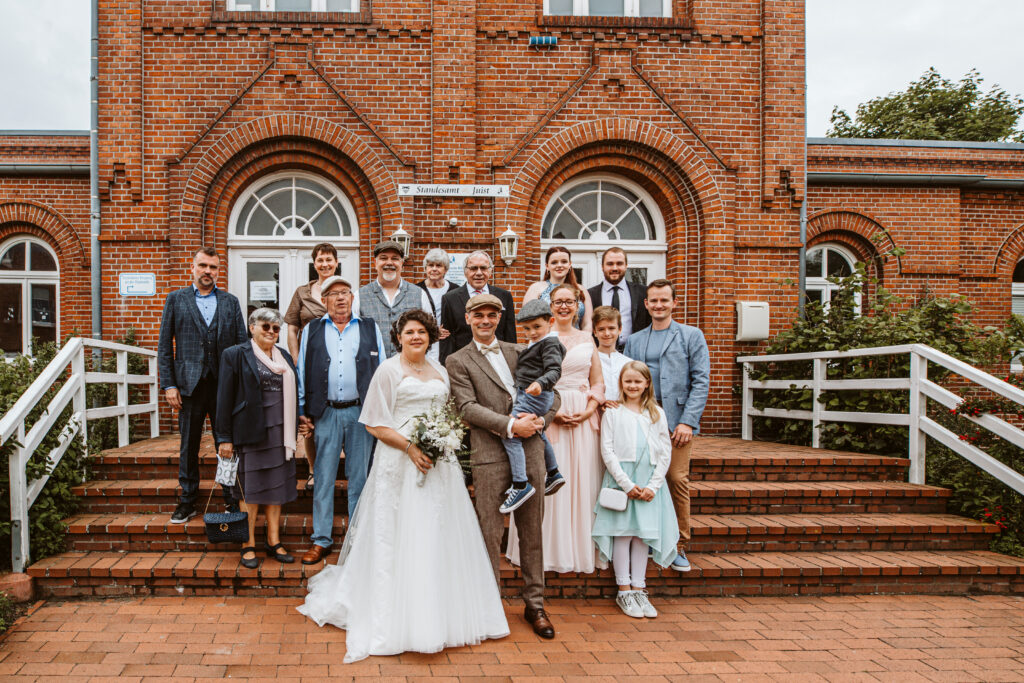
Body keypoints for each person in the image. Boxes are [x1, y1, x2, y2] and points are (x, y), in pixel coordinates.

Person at [298, 309, 509, 662]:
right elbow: (374, 424)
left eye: (422, 333)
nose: (415, 338)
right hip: (398, 461)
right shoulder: (388, 370)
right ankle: (396, 614)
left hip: (440, 465)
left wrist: (445, 439)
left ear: (430, 337)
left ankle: (440, 613)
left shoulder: (440, 371)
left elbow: (451, 414)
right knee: (398, 533)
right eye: (409, 332)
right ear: (399, 337)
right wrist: (411, 448)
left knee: (438, 532)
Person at [446, 294, 560, 640]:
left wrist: (541, 418)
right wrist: (511, 426)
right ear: (467, 318)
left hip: (531, 452)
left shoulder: (520, 350)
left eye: (492, 315)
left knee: (532, 532)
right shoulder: (457, 360)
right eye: (478, 314)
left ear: (499, 318)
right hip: (490, 454)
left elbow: (554, 394)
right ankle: (489, 605)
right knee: (489, 533)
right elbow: (465, 407)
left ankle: (535, 604)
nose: (485, 320)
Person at [507, 283, 605, 574]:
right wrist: (553, 413)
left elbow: (598, 381)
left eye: (569, 301)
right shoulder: (535, 337)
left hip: (583, 419)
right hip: (548, 413)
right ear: (550, 308)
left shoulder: (588, 339)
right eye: (558, 301)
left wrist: (589, 409)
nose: (564, 306)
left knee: (580, 481)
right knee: (548, 479)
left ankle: (577, 550)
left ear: (578, 305)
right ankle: (546, 552)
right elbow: (526, 381)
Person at [296, 275, 386, 566]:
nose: (340, 298)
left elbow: (383, 371)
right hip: (326, 412)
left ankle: (357, 538)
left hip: (361, 413)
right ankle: (321, 539)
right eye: (333, 294)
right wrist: (303, 409)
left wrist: (380, 411)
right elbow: (302, 369)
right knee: (323, 477)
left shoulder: (370, 328)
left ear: (352, 297)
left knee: (359, 478)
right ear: (324, 301)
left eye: (345, 292)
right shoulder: (311, 329)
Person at [624, 279, 709, 573]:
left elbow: (701, 381)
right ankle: (647, 540)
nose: (659, 305)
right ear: (646, 305)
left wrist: (688, 421)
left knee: (675, 480)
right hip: (643, 421)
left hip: (676, 424)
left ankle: (679, 545)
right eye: (654, 301)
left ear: (674, 303)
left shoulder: (691, 336)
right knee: (645, 480)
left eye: (664, 300)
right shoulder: (635, 340)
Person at [157, 246, 247, 524]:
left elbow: (243, 344)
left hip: (223, 385)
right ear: (193, 268)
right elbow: (164, 347)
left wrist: (241, 385)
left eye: (213, 267)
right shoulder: (176, 299)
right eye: (203, 266)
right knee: (189, 445)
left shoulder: (230, 302)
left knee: (227, 442)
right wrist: (169, 384)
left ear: (219, 271)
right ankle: (188, 500)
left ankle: (231, 499)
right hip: (189, 386)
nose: (208, 271)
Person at [214, 308, 299, 569]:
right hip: (250, 431)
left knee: (276, 488)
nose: (271, 332)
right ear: (252, 327)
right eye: (266, 326)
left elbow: (296, 391)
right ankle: (247, 543)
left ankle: (274, 541)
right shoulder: (235, 355)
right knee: (249, 491)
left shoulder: (283, 355)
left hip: (280, 432)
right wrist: (224, 437)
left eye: (276, 328)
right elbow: (224, 397)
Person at [592, 361, 678, 618]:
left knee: (642, 536)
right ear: (621, 384)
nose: (632, 386)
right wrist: (626, 484)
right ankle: (624, 590)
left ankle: (640, 588)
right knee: (623, 533)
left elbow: (665, 451)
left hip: (649, 481)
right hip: (623, 481)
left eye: (637, 382)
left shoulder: (657, 413)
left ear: (647, 384)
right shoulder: (613, 413)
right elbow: (607, 450)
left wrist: (653, 485)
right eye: (627, 381)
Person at [499, 298, 566, 514]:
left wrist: (540, 383)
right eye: (527, 329)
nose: (532, 333)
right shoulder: (539, 343)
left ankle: (520, 484)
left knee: (511, 433)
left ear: (551, 322)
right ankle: (554, 472)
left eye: (537, 327)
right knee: (538, 432)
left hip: (535, 394)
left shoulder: (549, 344)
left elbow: (555, 370)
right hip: (532, 393)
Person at [283, 242, 339, 492]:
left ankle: (337, 468)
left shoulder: (344, 290)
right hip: (309, 364)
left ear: (336, 262)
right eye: (320, 260)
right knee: (310, 420)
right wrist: (296, 359)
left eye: (329, 259)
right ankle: (314, 470)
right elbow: (293, 327)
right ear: (314, 264)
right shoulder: (302, 292)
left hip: (338, 363)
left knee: (339, 415)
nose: (325, 264)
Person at [357, 240, 432, 358]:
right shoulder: (360, 295)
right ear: (375, 263)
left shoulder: (419, 294)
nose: (389, 263)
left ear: (402, 263)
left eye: (395, 258)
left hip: (410, 368)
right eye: (383, 258)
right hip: (373, 369)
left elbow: (430, 334)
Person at [438, 251, 516, 362]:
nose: (479, 273)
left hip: (498, 359)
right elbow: (447, 338)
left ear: (490, 271)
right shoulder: (450, 299)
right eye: (473, 268)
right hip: (464, 362)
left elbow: (510, 335)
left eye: (483, 268)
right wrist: (446, 366)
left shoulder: (504, 296)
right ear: (465, 272)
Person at [587, 247, 651, 350]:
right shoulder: (589, 295)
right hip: (600, 354)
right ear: (602, 266)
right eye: (610, 264)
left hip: (634, 353)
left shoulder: (643, 292)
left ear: (626, 266)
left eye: (619, 263)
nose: (615, 268)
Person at [523, 246, 593, 332]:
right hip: (546, 342)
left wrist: (582, 340)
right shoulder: (536, 288)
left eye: (564, 262)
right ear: (547, 266)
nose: (559, 265)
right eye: (554, 262)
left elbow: (587, 323)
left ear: (569, 264)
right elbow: (528, 319)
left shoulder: (581, 289)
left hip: (576, 342)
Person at [415, 247, 457, 362]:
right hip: (424, 345)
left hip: (449, 347)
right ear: (425, 268)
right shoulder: (416, 290)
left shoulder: (455, 290)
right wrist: (433, 331)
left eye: (438, 266)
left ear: (446, 269)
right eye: (430, 265)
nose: (434, 269)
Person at [593, 306, 631, 403]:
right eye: (601, 329)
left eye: (611, 328)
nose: (607, 333)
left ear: (619, 329)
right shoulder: (590, 360)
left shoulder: (628, 363)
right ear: (595, 332)